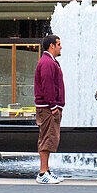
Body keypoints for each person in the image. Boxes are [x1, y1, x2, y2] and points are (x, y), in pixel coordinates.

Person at [33, 33, 65, 184]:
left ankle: (46, 170)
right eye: (58, 44)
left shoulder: (49, 61)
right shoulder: (47, 63)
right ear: (51, 46)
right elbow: (48, 86)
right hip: (47, 108)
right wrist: (53, 106)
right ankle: (42, 173)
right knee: (46, 138)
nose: (60, 47)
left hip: (48, 107)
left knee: (49, 138)